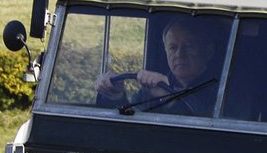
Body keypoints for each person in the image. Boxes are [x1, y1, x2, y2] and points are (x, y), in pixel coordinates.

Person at [94, 18, 222, 115]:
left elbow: (207, 128)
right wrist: (116, 96)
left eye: (188, 46)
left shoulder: (223, 90)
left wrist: (171, 99)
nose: (179, 54)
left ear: (208, 51)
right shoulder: (153, 88)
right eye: (173, 48)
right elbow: (131, 124)